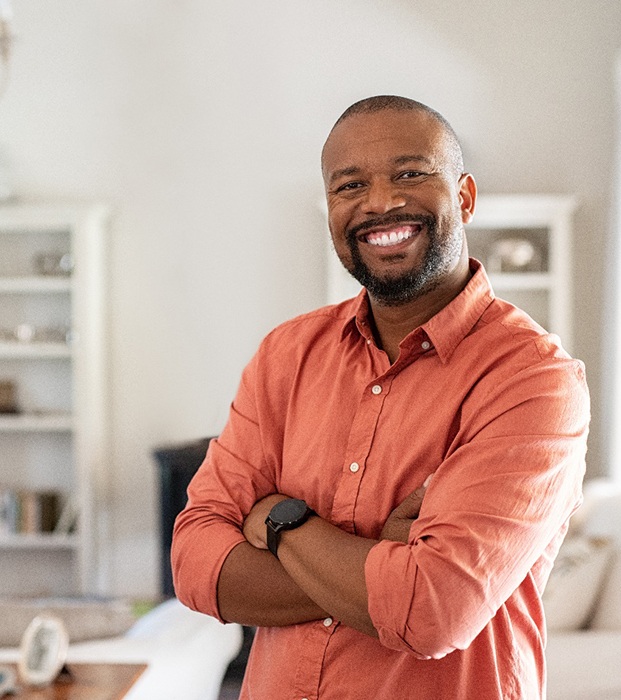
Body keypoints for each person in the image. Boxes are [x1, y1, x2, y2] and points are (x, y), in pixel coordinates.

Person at [172, 95, 590, 699]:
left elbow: (432, 610)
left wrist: (282, 524)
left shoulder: (531, 380)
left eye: (410, 174)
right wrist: (380, 558)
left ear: (465, 196)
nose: (379, 202)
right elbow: (194, 563)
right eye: (349, 186)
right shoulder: (286, 355)